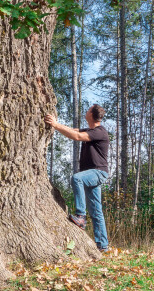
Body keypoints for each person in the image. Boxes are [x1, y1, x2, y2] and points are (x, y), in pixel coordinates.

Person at [44, 104, 110, 252]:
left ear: (92, 115)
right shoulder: (90, 130)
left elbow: (77, 136)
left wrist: (54, 124)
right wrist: (56, 125)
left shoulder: (100, 131)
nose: (85, 112)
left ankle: (80, 216)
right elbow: (74, 131)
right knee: (96, 211)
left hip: (98, 172)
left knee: (77, 179)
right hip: (91, 174)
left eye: (88, 110)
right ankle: (103, 245)